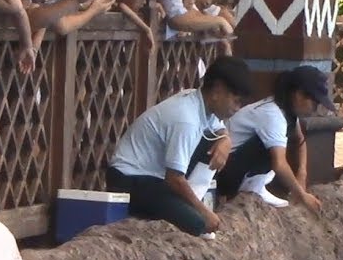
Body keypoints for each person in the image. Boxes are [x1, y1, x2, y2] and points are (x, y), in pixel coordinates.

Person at [106, 56, 252, 236]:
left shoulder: (199, 101)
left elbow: (217, 128)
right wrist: (204, 212)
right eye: (236, 101)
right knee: (196, 224)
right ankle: (192, 208)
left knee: (213, 140)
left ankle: (191, 201)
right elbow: (174, 178)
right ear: (217, 91)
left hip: (155, 177)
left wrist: (226, 140)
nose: (237, 108)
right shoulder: (187, 119)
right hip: (130, 179)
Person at [216, 66, 335, 215]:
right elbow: (279, 164)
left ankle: (256, 185)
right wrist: (302, 195)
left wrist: (302, 174)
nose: (315, 109)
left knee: (280, 140)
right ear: (298, 95)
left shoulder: (287, 112)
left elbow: (300, 140)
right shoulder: (272, 115)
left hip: (236, 165)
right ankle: (249, 187)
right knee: (271, 146)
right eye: (315, 102)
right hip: (223, 170)